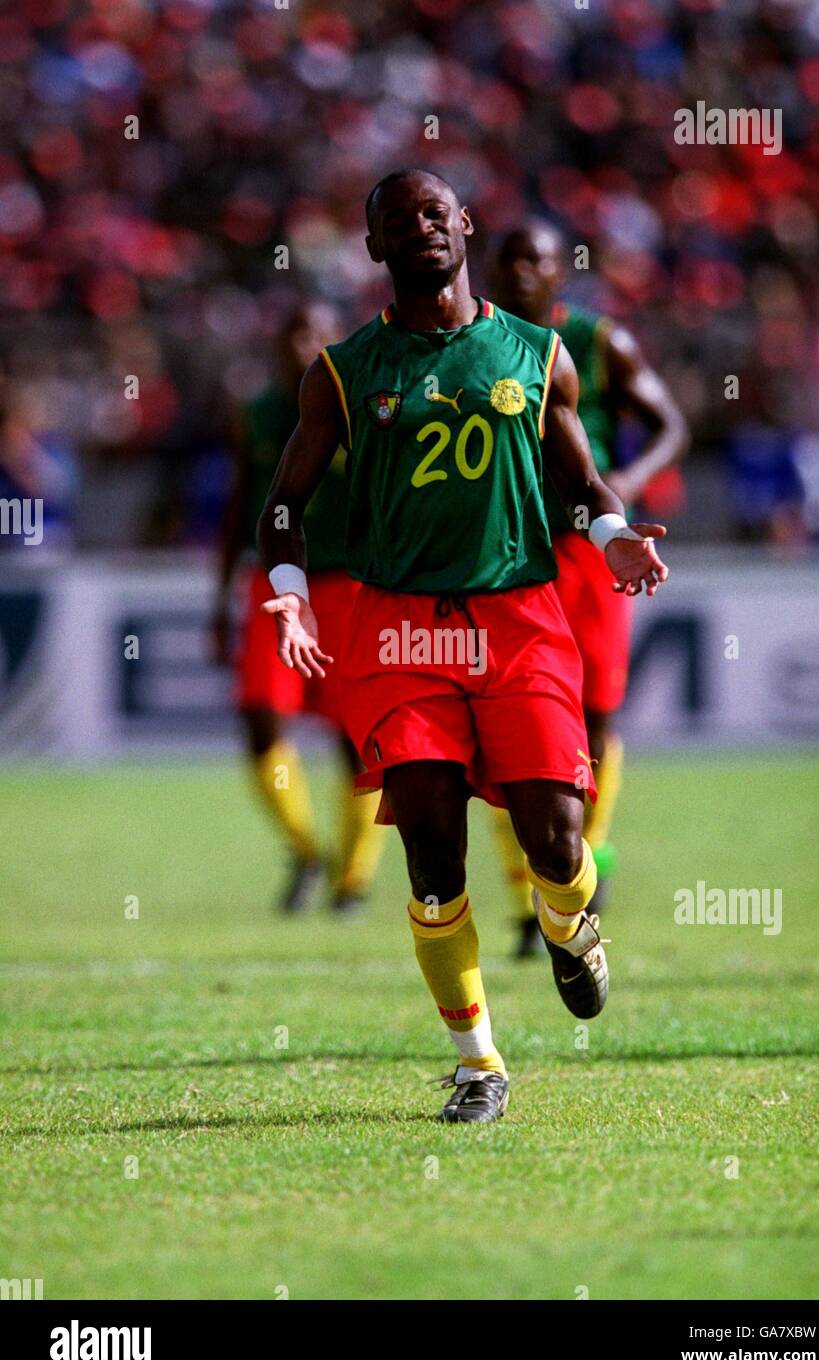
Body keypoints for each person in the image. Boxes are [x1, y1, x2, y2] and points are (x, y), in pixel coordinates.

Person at [258, 170, 668, 1122]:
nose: (419, 229)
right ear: (374, 250)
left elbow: (582, 482)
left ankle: (571, 923)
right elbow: (284, 506)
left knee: (556, 838)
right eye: (396, 221)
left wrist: (615, 539)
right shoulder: (343, 371)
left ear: (463, 226)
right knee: (432, 846)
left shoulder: (538, 352)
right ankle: (479, 1064)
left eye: (434, 213)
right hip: (397, 629)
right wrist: (289, 593)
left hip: (519, 619)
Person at [493, 221, 689, 955]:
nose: (519, 272)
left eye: (534, 261)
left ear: (559, 273)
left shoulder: (600, 342)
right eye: (507, 260)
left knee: (595, 710)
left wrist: (628, 485)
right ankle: (526, 897)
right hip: (507, 555)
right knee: (507, 721)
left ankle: (587, 858)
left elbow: (670, 423)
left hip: (586, 551)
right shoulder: (473, 346)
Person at [213, 301, 383, 914]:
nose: (301, 343)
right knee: (261, 721)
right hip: (273, 586)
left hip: (347, 586)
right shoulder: (257, 416)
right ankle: (308, 850)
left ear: (336, 341)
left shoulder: (361, 408)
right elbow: (240, 508)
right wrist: (218, 599)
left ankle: (354, 880)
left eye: (315, 332)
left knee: (353, 738)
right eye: (292, 330)